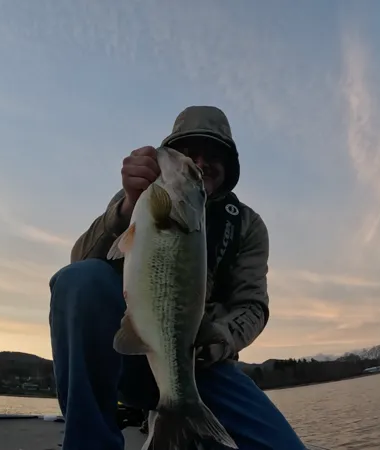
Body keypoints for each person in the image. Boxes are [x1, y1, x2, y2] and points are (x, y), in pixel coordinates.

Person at [49, 105, 307, 450]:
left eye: (213, 155)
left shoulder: (247, 225)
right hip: (127, 357)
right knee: (80, 280)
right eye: (188, 152)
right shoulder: (137, 200)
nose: (200, 162)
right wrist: (125, 209)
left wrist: (219, 339)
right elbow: (77, 270)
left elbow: (253, 306)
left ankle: (176, 416)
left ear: (228, 166)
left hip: (203, 369)